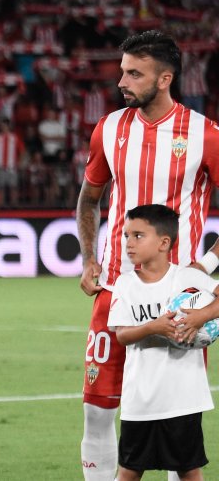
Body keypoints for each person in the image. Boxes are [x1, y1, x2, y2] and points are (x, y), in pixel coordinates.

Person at [75, 31, 219, 481]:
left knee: (179, 419)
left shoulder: (205, 134)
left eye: (134, 73)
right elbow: (89, 199)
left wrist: (207, 265)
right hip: (115, 290)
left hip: (181, 299)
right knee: (97, 410)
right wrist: (89, 258)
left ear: (164, 79)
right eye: (123, 71)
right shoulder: (109, 128)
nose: (122, 81)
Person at [107, 204, 216, 481]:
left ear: (164, 243)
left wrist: (202, 316)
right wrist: (152, 328)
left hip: (184, 399)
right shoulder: (125, 284)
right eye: (126, 235)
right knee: (129, 471)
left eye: (138, 236)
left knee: (188, 470)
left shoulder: (188, 278)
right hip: (140, 400)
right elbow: (122, 335)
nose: (129, 243)